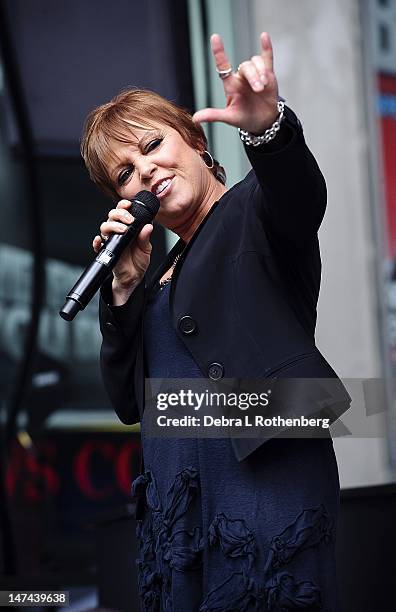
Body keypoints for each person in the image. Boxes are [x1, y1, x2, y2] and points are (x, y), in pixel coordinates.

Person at [81, 32, 350, 612]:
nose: (146, 170)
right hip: (179, 499)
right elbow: (132, 404)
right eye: (125, 172)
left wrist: (267, 129)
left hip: (262, 482)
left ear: (197, 142)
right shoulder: (153, 276)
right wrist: (124, 291)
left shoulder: (255, 209)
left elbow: (300, 194)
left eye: (153, 145)